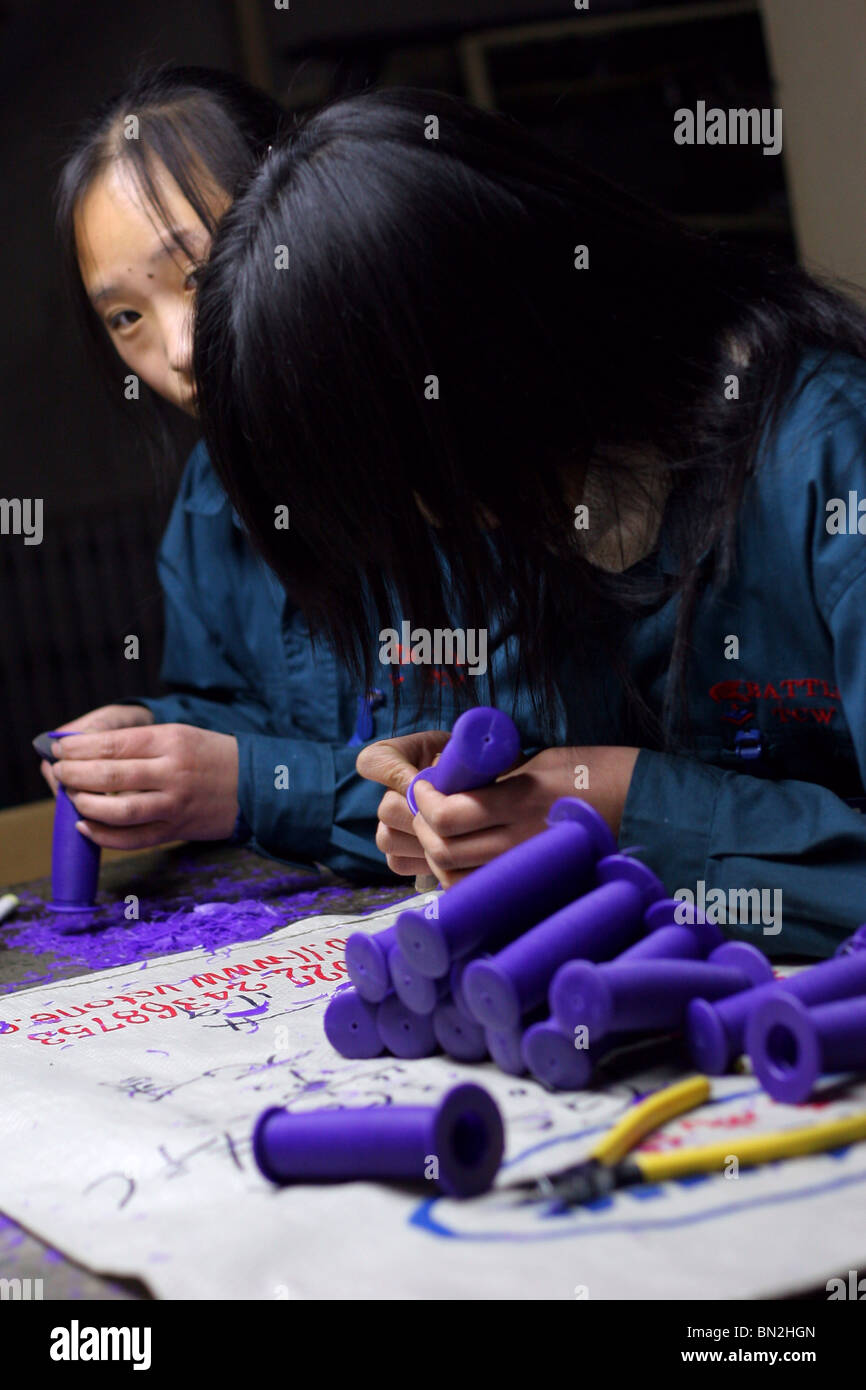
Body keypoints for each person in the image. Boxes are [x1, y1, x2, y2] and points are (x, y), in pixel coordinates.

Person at [193, 87, 866, 954]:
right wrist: (477, 810)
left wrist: (628, 809)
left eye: (413, 483)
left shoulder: (827, 459)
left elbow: (635, 800)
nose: (432, 528)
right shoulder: (505, 501)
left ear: (502, 359)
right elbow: (556, 767)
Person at [48, 66, 476, 879]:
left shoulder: (460, 461)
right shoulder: (209, 493)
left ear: (299, 208)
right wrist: (154, 737)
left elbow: (525, 782)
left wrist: (248, 788)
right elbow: (242, 708)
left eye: (198, 275)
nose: (179, 350)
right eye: (126, 316)